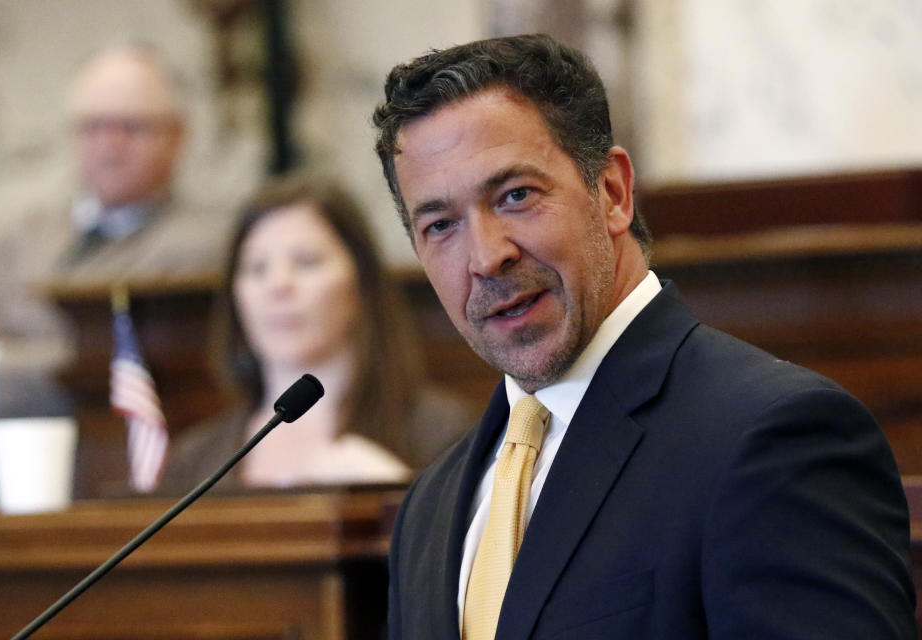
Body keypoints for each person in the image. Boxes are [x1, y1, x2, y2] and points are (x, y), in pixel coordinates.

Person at [371, 34, 916, 639]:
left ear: (612, 194)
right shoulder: (429, 507)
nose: (485, 257)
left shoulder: (772, 437)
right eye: (441, 224)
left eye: (516, 195)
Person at [0, 41, 231, 422]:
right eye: (92, 126)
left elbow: (112, 366)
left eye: (131, 127)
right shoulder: (23, 237)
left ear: (177, 137)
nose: (109, 144)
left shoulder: (203, 246)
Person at [158, 173, 473, 493]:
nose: (278, 285)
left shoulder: (442, 433)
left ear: (360, 283)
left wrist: (395, 496)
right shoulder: (194, 460)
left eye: (306, 262)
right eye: (257, 268)